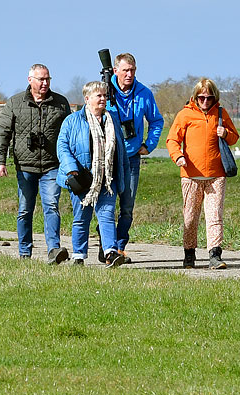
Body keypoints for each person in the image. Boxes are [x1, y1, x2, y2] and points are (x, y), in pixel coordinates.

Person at [0, 64, 72, 264]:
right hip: (25, 166)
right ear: (30, 80)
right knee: (25, 209)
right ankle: (24, 253)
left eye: (47, 79)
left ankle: (54, 250)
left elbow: (70, 133)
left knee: (51, 206)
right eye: (41, 79)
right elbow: (2, 133)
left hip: (52, 165)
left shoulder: (61, 103)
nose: (45, 83)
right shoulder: (15, 102)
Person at [166, 78, 239, 270]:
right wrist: (178, 157)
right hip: (190, 175)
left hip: (216, 175)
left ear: (215, 98)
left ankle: (215, 255)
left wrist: (225, 134)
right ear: (195, 97)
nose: (205, 101)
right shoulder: (185, 114)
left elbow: (234, 138)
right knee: (190, 218)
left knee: (215, 216)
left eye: (209, 98)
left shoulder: (221, 113)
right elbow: (172, 140)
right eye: (201, 97)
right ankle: (189, 254)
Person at [56, 81, 128, 267]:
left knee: (107, 215)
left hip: (107, 178)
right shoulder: (72, 121)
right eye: (99, 96)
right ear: (87, 99)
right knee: (82, 218)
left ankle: (111, 253)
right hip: (82, 178)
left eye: (105, 95)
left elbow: (121, 151)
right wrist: (71, 168)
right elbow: (62, 146)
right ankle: (78, 255)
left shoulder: (112, 120)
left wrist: (123, 175)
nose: (103, 99)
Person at [108, 53, 164, 263]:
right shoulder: (105, 90)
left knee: (127, 207)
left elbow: (156, 120)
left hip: (132, 157)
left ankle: (119, 247)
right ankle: (108, 245)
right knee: (106, 204)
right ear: (116, 71)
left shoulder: (144, 93)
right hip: (109, 157)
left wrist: (149, 145)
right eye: (125, 70)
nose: (129, 74)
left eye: (132, 70)